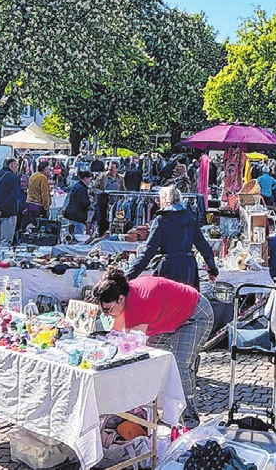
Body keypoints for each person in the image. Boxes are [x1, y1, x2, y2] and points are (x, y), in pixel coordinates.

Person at [92, 268, 214, 429]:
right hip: (168, 318)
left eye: (108, 310)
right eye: (103, 311)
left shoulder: (139, 305)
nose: (107, 315)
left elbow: (134, 347)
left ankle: (190, 421)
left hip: (195, 314)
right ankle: (149, 414)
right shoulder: (123, 296)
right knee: (152, 365)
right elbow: (115, 333)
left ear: (120, 299)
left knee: (180, 366)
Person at [126, 185, 219, 289]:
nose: (158, 202)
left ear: (165, 199)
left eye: (160, 199)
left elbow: (149, 250)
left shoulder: (161, 220)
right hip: (189, 268)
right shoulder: (190, 219)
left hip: (168, 268)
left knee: (167, 303)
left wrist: (129, 276)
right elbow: (204, 247)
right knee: (187, 302)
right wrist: (212, 270)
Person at [93, 161, 125, 235]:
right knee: (102, 220)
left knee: (114, 220)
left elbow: (123, 189)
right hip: (103, 203)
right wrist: (102, 192)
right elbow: (95, 187)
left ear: (116, 169)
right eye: (109, 167)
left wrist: (122, 198)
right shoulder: (102, 176)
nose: (110, 169)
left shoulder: (120, 178)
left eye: (112, 168)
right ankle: (101, 234)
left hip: (115, 204)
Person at [63, 169, 93, 236]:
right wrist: (90, 202)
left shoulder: (77, 186)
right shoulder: (82, 189)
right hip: (78, 216)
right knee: (77, 236)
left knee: (71, 234)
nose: (90, 181)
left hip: (72, 214)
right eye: (90, 179)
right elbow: (83, 203)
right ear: (85, 178)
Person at [26, 160, 52, 226]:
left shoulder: (33, 176)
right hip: (38, 206)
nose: (50, 172)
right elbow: (45, 194)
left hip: (30, 204)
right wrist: (46, 207)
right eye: (49, 169)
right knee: (40, 227)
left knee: (33, 226)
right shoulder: (43, 178)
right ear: (45, 169)